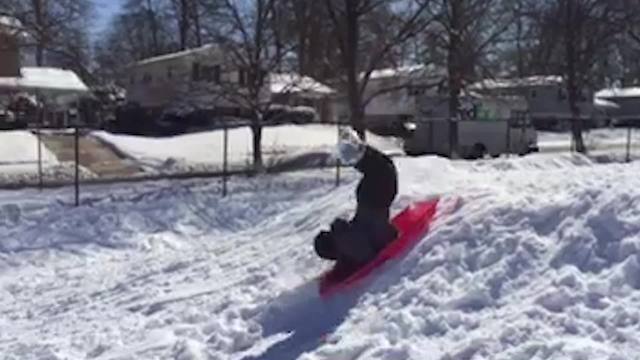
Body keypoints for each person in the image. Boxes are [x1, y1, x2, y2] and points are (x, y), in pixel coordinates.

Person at [314, 128, 398, 276]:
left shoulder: (346, 245)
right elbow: (366, 252)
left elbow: (359, 244)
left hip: (371, 208)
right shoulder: (348, 246)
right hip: (373, 207)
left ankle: (357, 151)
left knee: (382, 170)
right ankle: (357, 151)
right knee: (383, 170)